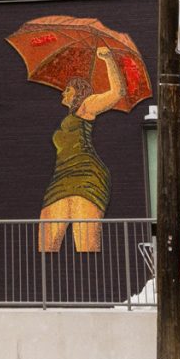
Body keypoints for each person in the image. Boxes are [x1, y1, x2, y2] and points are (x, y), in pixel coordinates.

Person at [37, 45, 126, 253]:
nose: (63, 92)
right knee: (45, 243)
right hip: (61, 177)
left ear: (78, 92)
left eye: (68, 89)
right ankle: (48, 280)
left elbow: (117, 92)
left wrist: (108, 59)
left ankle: (92, 280)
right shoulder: (70, 116)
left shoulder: (86, 106)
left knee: (86, 245)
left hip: (86, 175)